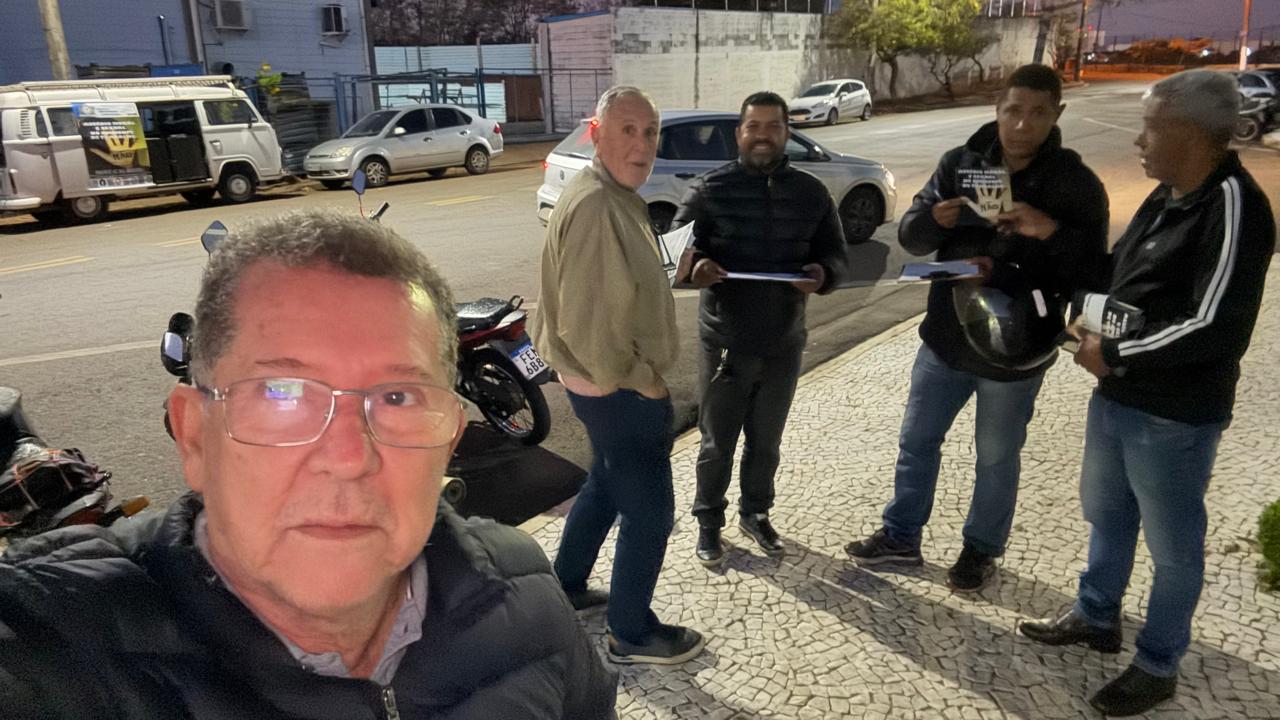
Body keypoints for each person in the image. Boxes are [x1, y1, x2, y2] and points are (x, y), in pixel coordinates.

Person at [0, 210, 618, 719]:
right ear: (194, 438)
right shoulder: (51, 644)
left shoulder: (526, 598)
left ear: (449, 437)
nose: (349, 458)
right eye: (281, 394)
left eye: (398, 398)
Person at [1020, 70, 1275, 717]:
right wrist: (1085, 314)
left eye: (1150, 128)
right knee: (1107, 514)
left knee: (1173, 547)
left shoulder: (1234, 206)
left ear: (1191, 133)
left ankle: (1158, 663)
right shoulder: (1168, 194)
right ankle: (1096, 615)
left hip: (1174, 414)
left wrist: (1116, 354)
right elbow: (1125, 278)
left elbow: (1214, 324)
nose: (1138, 140)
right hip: (1119, 397)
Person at [845, 64, 1110, 592]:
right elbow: (912, 236)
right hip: (946, 337)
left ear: (1057, 114)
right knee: (917, 441)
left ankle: (981, 550)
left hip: (1018, 349)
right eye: (1013, 111)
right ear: (998, 109)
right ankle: (900, 536)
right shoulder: (959, 164)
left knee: (995, 457)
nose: (1022, 125)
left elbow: (1095, 273)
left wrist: (1049, 230)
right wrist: (932, 222)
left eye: (1037, 113)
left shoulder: (1075, 183)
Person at [531, 86, 704, 665]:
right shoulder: (599, 205)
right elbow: (588, 326)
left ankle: (567, 585)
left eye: (650, 132)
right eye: (627, 130)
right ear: (596, 132)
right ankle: (630, 633)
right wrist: (641, 380)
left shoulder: (608, 191)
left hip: (592, 383)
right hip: (614, 387)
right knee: (649, 512)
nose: (642, 144)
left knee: (605, 483)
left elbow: (607, 285)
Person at [672, 90, 847, 567]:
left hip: (784, 341)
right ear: (739, 134)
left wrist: (824, 274)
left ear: (787, 133)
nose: (763, 135)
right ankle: (709, 522)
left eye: (773, 126)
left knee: (766, 442)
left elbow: (836, 255)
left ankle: (756, 513)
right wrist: (696, 267)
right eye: (754, 126)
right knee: (716, 443)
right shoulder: (708, 189)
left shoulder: (812, 192)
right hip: (725, 342)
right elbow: (674, 256)